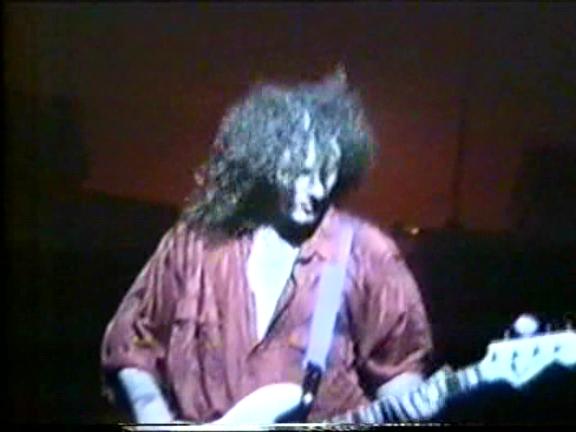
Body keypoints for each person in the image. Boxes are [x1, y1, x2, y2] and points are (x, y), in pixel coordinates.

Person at [100, 69, 434, 424]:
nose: (317, 190)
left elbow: (400, 374)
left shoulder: (367, 254)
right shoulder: (195, 244)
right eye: (301, 172)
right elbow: (131, 344)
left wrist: (417, 408)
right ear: (266, 164)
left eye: (328, 173)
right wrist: (153, 417)